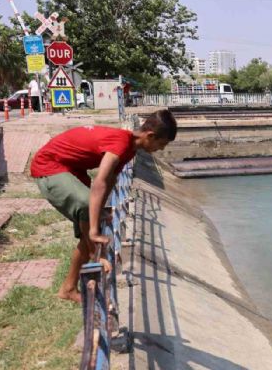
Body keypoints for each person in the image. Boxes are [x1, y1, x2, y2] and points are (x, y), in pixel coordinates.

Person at [30, 110, 178, 302]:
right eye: (162, 144)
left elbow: (111, 180)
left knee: (92, 222)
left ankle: (68, 289)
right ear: (150, 136)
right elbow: (99, 182)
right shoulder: (121, 143)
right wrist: (93, 231)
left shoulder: (129, 148)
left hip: (73, 169)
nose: (161, 149)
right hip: (50, 167)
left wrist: (99, 213)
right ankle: (94, 255)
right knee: (86, 207)